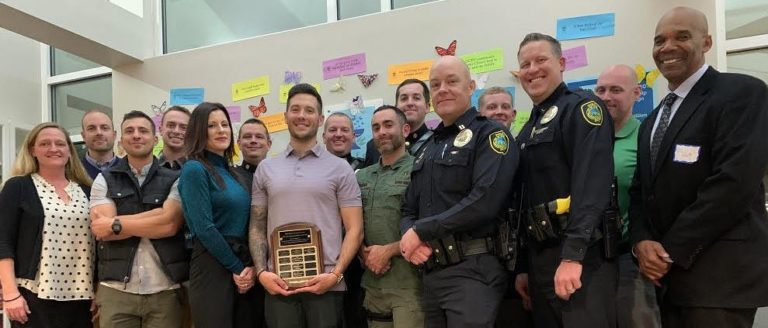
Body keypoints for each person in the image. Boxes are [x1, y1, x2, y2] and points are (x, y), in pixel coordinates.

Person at [630, 7, 768, 327]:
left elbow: (733, 184)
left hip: (719, 279)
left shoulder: (742, 94)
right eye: (659, 40)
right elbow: (641, 190)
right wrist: (641, 242)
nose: (667, 47)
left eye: (682, 36)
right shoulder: (652, 120)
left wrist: (668, 251)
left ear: (706, 42)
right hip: (671, 284)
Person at [399, 56, 517, 328]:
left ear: (471, 86)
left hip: (473, 270)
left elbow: (485, 201)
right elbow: (408, 208)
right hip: (432, 272)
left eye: (452, 81)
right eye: (436, 84)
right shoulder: (427, 148)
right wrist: (409, 237)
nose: (443, 89)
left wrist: (421, 231)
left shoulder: (490, 134)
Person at [513, 32, 617, 328]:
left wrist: (573, 256)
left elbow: (591, 185)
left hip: (580, 256)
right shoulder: (529, 127)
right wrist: (523, 267)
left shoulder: (582, 109)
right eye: (525, 64)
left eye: (540, 60)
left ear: (561, 63)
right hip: (541, 257)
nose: (532, 69)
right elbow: (523, 199)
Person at [249, 83, 363, 328]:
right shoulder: (265, 169)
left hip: (326, 286)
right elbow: (257, 226)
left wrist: (335, 275)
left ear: (320, 118)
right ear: (286, 116)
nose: (302, 116)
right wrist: (261, 273)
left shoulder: (340, 168)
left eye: (309, 110)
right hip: (278, 285)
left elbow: (355, 229)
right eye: (295, 109)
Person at [89, 110, 188, 328]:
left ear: (155, 139)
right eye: (129, 131)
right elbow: (103, 232)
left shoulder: (177, 178)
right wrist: (157, 216)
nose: (136, 135)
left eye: (143, 131)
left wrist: (116, 223)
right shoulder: (104, 179)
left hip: (165, 289)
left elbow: (170, 225)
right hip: (116, 290)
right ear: (121, 140)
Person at [0, 122, 93, 327]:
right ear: (33, 150)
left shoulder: (87, 191)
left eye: (60, 143)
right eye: (45, 144)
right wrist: (10, 293)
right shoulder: (18, 187)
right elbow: (3, 242)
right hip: (33, 295)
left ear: (69, 150)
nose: (53, 148)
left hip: (82, 296)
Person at [178, 102, 261, 328]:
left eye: (225, 124)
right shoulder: (194, 169)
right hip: (213, 264)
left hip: (242, 264)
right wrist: (237, 268)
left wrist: (249, 266)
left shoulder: (234, 173)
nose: (222, 130)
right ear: (198, 131)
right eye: (212, 125)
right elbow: (204, 227)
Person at [595, 64, 661, 328]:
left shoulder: (646, 138)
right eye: (600, 89)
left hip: (629, 258)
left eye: (616, 90)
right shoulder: (585, 140)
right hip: (589, 258)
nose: (606, 96)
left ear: (636, 93)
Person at [357, 105, 424, 328]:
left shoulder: (420, 169)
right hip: (372, 283)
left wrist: (387, 251)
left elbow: (428, 224)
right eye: (376, 127)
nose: (382, 132)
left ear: (405, 130)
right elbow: (352, 225)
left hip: (409, 285)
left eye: (388, 125)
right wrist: (363, 254)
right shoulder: (362, 177)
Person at [322, 111, 366, 327]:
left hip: (358, 261)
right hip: (323, 260)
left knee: (356, 316)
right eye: (332, 130)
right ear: (323, 137)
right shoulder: (312, 172)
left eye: (344, 130)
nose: (338, 134)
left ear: (354, 136)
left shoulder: (367, 169)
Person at [362, 79, 433, 167]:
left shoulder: (437, 142)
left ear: (427, 107)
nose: (410, 103)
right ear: (396, 107)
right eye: (404, 98)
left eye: (416, 98)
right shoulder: (374, 145)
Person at [80, 110, 120, 179]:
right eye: (91, 128)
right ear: (83, 136)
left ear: (114, 135)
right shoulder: (72, 172)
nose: (99, 132)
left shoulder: (130, 170)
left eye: (104, 128)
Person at [235, 118, 272, 187]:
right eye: (247, 136)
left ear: (269, 144)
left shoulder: (280, 177)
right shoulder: (230, 177)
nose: (253, 140)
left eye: (259, 137)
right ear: (239, 144)